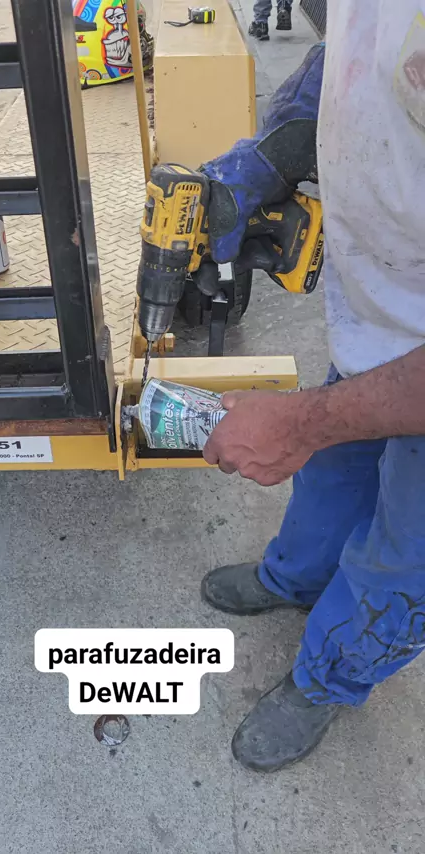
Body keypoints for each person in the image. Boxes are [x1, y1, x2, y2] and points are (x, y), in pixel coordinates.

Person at [199, 3, 425, 773]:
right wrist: (279, 144)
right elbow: (369, 35)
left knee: (405, 555)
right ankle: (295, 578)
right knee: (332, 477)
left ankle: (330, 676)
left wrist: (301, 422)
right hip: (379, 314)